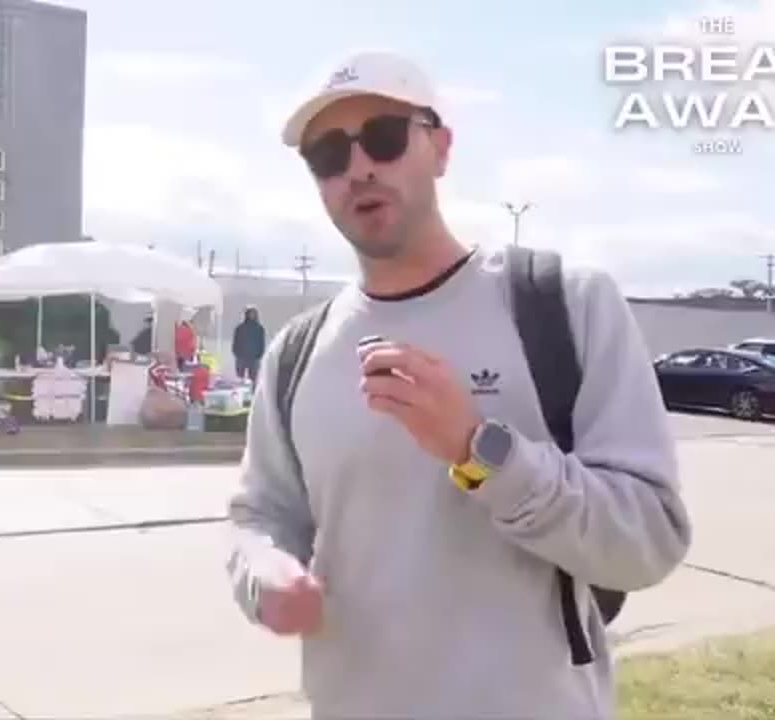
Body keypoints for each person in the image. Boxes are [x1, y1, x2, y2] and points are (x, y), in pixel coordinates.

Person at [224, 50, 691, 719]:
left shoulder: (565, 304)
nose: (358, 167)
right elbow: (260, 517)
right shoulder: (297, 353)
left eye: (383, 137)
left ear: (440, 147)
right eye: (328, 154)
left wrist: (479, 451)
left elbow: (649, 542)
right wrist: (263, 574)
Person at [231, 306, 266, 382]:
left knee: (253, 379)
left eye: (253, 314)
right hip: (241, 356)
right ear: (246, 314)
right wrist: (236, 352)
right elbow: (236, 341)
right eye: (250, 313)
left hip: (254, 358)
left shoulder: (259, 328)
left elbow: (262, 342)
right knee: (240, 378)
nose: (252, 315)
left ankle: (253, 392)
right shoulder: (240, 328)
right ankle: (240, 391)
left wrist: (260, 354)